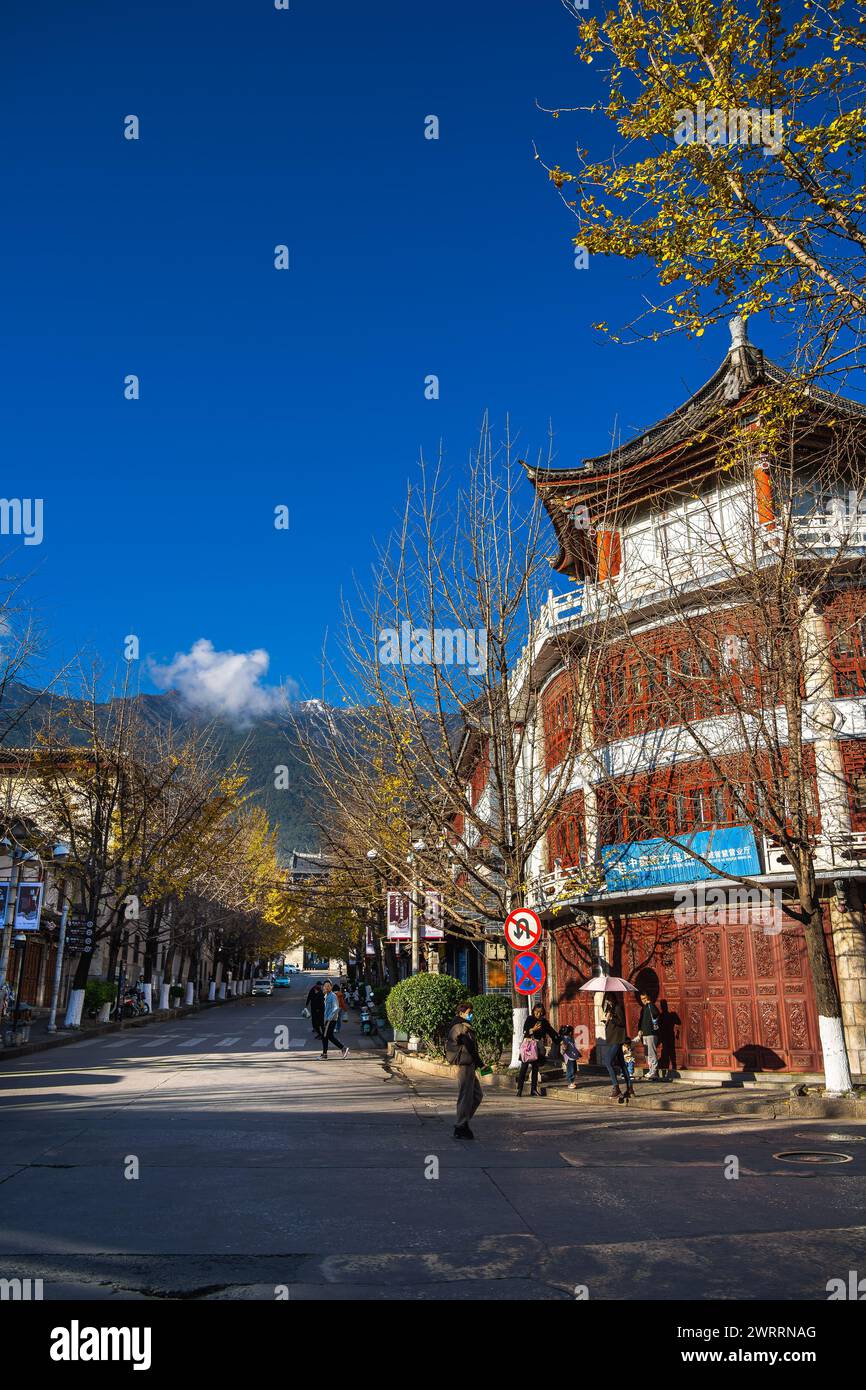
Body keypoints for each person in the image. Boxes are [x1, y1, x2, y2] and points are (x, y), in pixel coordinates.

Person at [445, 1000, 483, 1139]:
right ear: (462, 1013)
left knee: (477, 1095)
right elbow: (468, 1044)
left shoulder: (464, 1025)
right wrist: (480, 1062)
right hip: (464, 1065)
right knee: (465, 1096)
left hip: (469, 1064)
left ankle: (464, 1121)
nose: (471, 1015)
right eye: (469, 1013)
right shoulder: (459, 1026)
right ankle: (461, 1125)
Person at [517, 1004, 558, 1098]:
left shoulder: (544, 1022)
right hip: (528, 1046)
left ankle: (533, 1089)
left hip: (537, 1047)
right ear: (533, 1011)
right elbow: (525, 1031)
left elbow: (551, 1032)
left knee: (535, 1068)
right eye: (537, 1012)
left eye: (541, 1012)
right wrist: (533, 1029)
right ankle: (520, 1089)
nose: (538, 1014)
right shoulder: (529, 1019)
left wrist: (560, 1041)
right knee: (524, 1067)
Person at [602, 993, 634, 1102]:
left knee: (608, 1061)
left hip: (617, 1040)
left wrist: (612, 1018)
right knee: (622, 1064)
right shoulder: (611, 1010)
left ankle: (616, 1089)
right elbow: (612, 1023)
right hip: (612, 1039)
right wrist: (607, 1020)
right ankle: (629, 1088)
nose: (608, 1002)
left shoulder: (618, 1008)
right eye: (607, 1000)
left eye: (609, 1000)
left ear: (613, 999)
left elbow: (621, 1022)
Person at [633, 990, 661, 1080]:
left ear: (648, 997)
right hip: (644, 1034)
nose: (643, 1000)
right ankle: (650, 1070)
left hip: (651, 1033)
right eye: (642, 999)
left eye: (645, 998)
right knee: (647, 1053)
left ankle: (654, 1071)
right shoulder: (643, 1008)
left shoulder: (651, 1006)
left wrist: (651, 1004)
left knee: (652, 1053)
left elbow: (656, 1014)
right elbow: (641, 1021)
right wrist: (640, 1030)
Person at [319, 981, 349, 1060]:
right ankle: (341, 1049)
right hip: (327, 1019)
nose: (326, 987)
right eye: (325, 986)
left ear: (331, 987)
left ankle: (326, 1054)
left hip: (331, 1019)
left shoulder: (332, 996)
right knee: (328, 1036)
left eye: (328, 986)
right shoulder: (326, 996)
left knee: (326, 1036)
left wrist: (329, 1018)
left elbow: (336, 1008)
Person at [559, 1024, 580, 1089]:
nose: (572, 1033)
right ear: (570, 1032)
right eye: (571, 1031)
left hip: (572, 1057)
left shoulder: (570, 1038)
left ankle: (572, 1082)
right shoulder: (564, 1039)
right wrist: (564, 1048)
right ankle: (571, 1082)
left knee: (574, 1069)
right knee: (570, 1070)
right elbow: (563, 1048)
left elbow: (573, 1047)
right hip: (569, 1057)